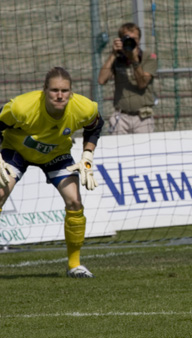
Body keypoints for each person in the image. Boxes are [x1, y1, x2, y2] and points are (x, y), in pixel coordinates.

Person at [0, 67, 103, 278]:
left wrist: (87, 157)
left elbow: (95, 126)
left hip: (56, 153)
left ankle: (75, 265)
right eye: (54, 90)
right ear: (44, 90)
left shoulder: (84, 108)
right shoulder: (21, 107)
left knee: (74, 201)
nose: (59, 95)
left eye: (64, 90)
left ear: (71, 92)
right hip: (16, 151)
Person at [98, 22, 157, 135]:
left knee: (144, 151)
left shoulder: (148, 56)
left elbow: (142, 84)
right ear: (120, 40)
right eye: (127, 39)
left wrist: (134, 60)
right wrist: (113, 54)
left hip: (143, 117)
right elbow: (101, 80)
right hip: (121, 116)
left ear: (139, 40)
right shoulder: (117, 58)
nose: (131, 42)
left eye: (134, 39)